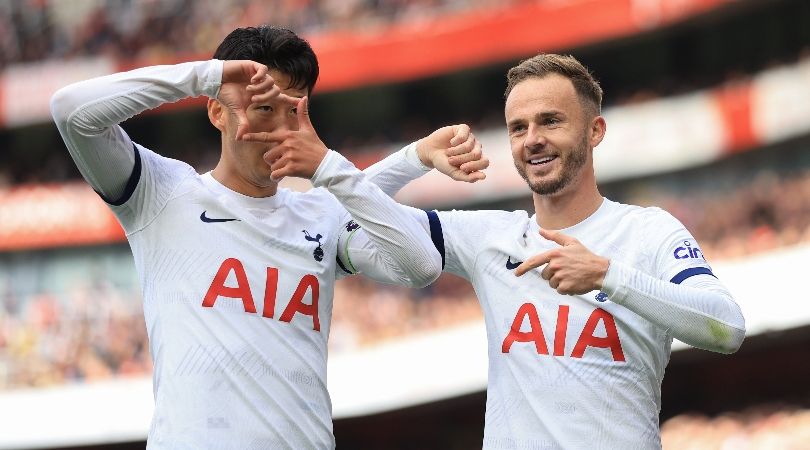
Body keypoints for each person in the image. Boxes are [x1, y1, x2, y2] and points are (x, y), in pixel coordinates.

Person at [49, 25, 486, 449]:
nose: (280, 128)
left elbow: (421, 265)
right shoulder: (161, 195)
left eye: (293, 111)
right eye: (263, 108)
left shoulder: (316, 217)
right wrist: (207, 76)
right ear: (218, 110)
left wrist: (396, 159)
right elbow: (71, 112)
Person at [365, 53, 746, 448]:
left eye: (551, 120)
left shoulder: (648, 231)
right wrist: (416, 158)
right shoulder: (486, 236)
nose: (532, 139)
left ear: (594, 131)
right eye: (518, 128)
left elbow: (727, 328)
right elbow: (344, 216)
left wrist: (606, 276)